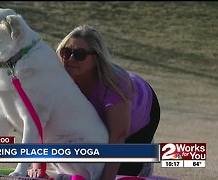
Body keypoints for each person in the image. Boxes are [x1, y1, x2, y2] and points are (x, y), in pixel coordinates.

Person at [29, 25, 161, 179]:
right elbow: (43, 123)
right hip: (99, 127)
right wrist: (37, 167)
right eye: (66, 52)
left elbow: (118, 136)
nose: (71, 59)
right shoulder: (56, 82)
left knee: (121, 172)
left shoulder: (115, 85)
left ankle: (144, 161)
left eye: (79, 54)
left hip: (139, 116)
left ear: (97, 58)